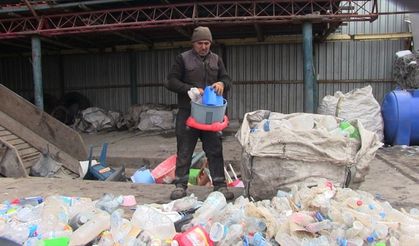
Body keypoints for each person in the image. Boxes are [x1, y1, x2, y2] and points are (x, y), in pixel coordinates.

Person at [165, 26, 234, 200]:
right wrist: (190, 89)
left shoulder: (216, 60)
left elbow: (227, 79)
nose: (204, 47)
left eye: (207, 43)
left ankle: (220, 186)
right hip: (188, 112)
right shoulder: (183, 59)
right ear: (193, 43)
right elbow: (170, 81)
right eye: (200, 43)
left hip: (210, 114)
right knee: (185, 149)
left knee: (215, 149)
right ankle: (180, 186)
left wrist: (222, 84)